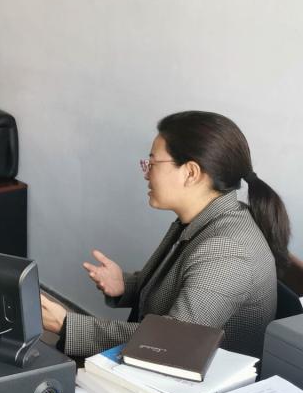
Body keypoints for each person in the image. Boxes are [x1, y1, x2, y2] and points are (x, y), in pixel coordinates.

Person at [41, 111, 288, 358]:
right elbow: (174, 288)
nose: (146, 173)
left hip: (189, 372)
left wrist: (66, 325)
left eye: (153, 163)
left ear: (190, 173)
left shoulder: (226, 249)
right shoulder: (202, 220)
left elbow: (171, 342)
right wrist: (126, 285)